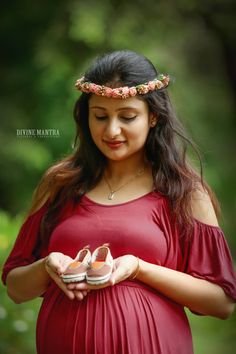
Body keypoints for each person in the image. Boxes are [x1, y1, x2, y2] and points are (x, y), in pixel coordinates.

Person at [2, 50, 236, 354]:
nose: (111, 130)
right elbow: (16, 289)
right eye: (100, 116)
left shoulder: (185, 192)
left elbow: (222, 302)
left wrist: (138, 268)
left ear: (153, 116)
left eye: (127, 117)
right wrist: (47, 266)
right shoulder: (60, 184)